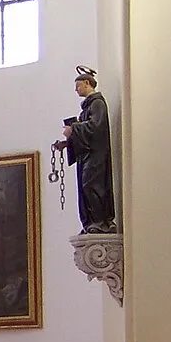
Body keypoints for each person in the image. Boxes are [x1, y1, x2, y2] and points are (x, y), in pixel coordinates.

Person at [53, 66, 115, 232]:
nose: (76, 90)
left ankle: (100, 222)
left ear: (87, 83)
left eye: (78, 86)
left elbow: (96, 127)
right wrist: (67, 143)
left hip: (96, 156)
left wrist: (73, 129)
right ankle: (91, 222)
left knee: (92, 185)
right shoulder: (87, 107)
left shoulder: (97, 104)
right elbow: (86, 131)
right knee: (85, 186)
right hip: (88, 155)